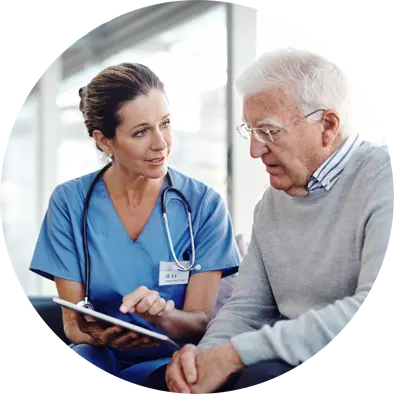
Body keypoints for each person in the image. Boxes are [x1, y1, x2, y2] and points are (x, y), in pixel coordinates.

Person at [145, 48, 394, 394]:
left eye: (269, 131)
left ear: (328, 126)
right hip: (287, 362)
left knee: (261, 383)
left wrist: (235, 355)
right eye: (250, 131)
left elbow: (381, 311)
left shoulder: (384, 179)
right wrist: (202, 361)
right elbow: (247, 309)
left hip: (372, 359)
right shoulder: (271, 204)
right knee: (164, 383)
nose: (254, 150)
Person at [29, 63, 240, 394]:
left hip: (171, 360)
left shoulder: (203, 205)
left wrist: (163, 318)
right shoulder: (70, 203)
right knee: (83, 365)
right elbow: (72, 325)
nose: (161, 144)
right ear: (104, 141)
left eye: (165, 124)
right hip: (100, 356)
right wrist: (96, 334)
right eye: (141, 132)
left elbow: (201, 320)